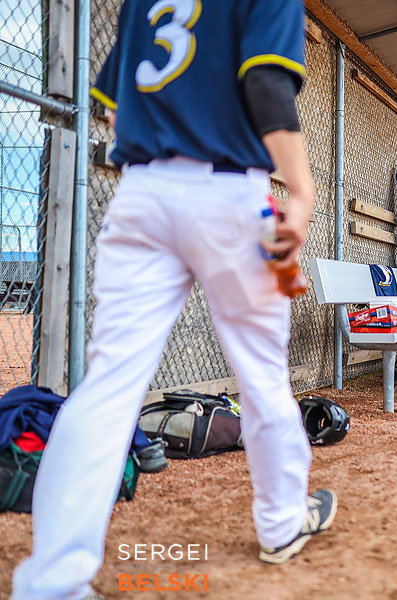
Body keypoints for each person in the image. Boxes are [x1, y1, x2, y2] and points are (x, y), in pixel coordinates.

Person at [12, 3, 336, 599]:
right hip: (230, 193)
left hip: (143, 192)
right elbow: (264, 83)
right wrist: (303, 185)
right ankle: (282, 522)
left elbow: (111, 98)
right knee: (261, 373)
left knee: (109, 384)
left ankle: (52, 582)